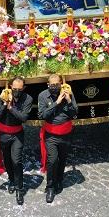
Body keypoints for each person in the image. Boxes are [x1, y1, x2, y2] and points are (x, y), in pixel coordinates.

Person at [0, 77, 32, 205]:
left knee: (16, 160)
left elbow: (23, 117)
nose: (17, 91)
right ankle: (11, 179)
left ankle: (20, 188)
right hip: (4, 134)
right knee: (7, 159)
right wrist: (4, 104)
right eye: (14, 89)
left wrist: (10, 108)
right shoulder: (2, 96)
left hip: (17, 134)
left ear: (23, 88)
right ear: (10, 87)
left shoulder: (28, 99)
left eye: (19, 89)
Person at [38, 74, 76, 203]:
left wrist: (69, 100)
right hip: (51, 134)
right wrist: (57, 102)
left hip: (66, 133)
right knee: (52, 160)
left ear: (61, 83)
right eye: (51, 85)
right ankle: (50, 187)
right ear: (48, 84)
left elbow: (74, 113)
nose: (54, 87)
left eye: (56, 84)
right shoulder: (43, 95)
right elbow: (42, 115)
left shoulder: (68, 93)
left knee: (62, 158)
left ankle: (59, 180)